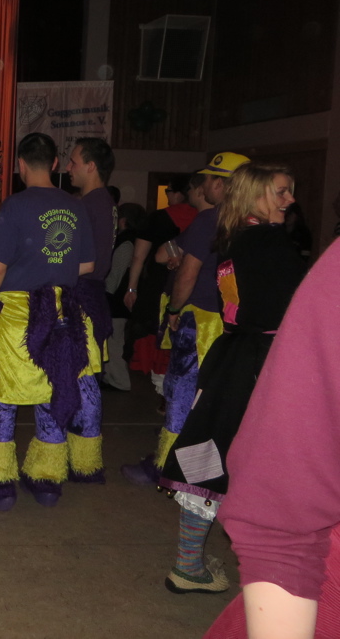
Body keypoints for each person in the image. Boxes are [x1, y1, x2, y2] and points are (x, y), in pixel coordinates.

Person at [158, 164, 305, 595]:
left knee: (211, 455)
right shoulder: (269, 242)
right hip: (264, 363)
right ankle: (273, 573)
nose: (290, 200)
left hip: (234, 357)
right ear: (254, 196)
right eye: (281, 192)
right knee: (274, 467)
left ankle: (189, 563)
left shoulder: (233, 237)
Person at [201, 245, 340, 639]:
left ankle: (187, 559)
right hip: (253, 360)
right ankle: (188, 560)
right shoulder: (255, 249)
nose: (287, 208)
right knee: (207, 462)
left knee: (205, 460)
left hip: (248, 355)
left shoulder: (244, 249)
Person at [0, 133, 97, 511]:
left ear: (20, 164)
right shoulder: (75, 206)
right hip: (60, 311)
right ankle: (47, 481)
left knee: (0, 396)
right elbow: (87, 264)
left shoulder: (16, 205)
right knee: (52, 391)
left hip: (17, 314)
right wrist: (53, 272)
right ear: (54, 163)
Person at [123, 152, 250, 485]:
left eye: (208, 179)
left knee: (181, 393)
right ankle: (210, 466)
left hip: (200, 321)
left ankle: (167, 466)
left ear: (221, 184)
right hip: (236, 326)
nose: (203, 185)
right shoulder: (254, 221)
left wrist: (174, 310)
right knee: (216, 399)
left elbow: (187, 272)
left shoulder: (210, 219)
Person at [65, 136, 116, 482]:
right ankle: (81, 457)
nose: (69, 167)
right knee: (82, 378)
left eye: (73, 161)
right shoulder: (99, 200)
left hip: (83, 295)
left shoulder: (92, 203)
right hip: (90, 294)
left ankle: (85, 462)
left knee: (83, 380)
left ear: (91, 166)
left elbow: (90, 263)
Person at [123, 174, 198, 400]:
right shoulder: (204, 218)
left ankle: (165, 393)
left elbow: (138, 257)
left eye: (168, 191)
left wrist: (132, 289)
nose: (167, 196)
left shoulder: (158, 218)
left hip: (159, 288)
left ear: (180, 193)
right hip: (193, 286)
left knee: (159, 337)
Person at [101, 202, 147, 392]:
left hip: (116, 302)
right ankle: (112, 378)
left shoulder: (126, 242)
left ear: (123, 220)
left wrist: (104, 295)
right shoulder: (134, 240)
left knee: (115, 343)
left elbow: (116, 274)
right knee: (114, 342)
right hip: (119, 301)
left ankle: (120, 381)